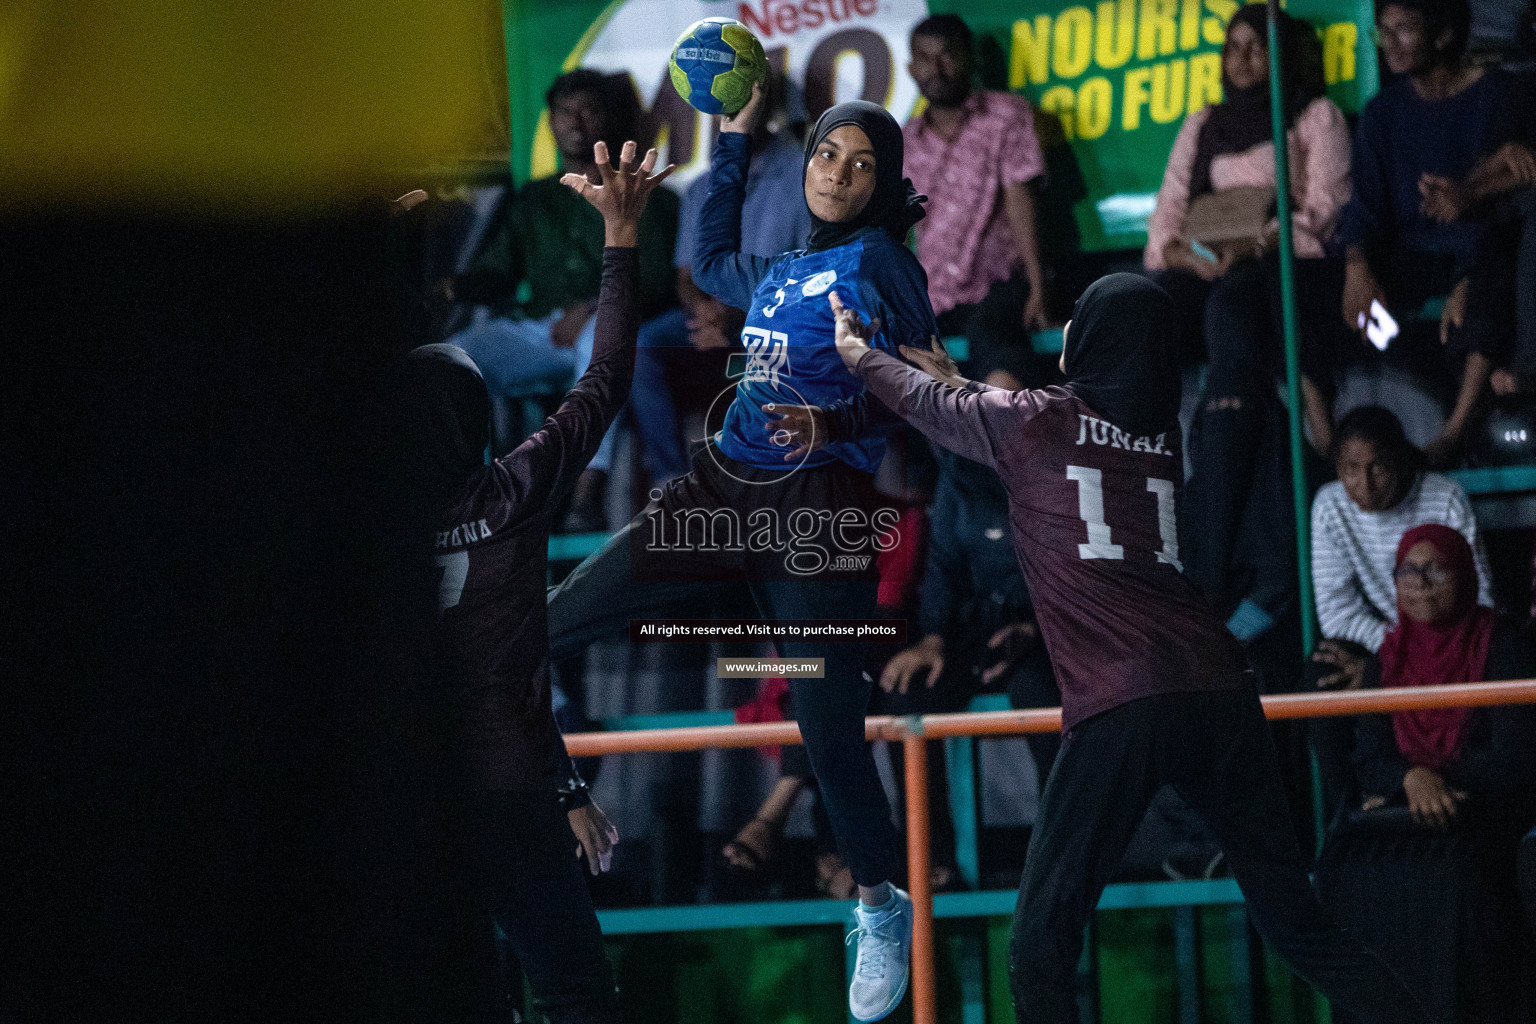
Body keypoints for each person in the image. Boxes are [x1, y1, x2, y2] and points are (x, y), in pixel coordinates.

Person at [826, 273, 1434, 1023]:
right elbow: (984, 410)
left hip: (1124, 700)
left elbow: (940, 408)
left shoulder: (1034, 422)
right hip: (1219, 690)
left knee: (1040, 946)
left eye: (1082, 316)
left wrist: (858, 353)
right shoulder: (1156, 434)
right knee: (1300, 926)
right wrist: (945, 374)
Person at [544, 83, 936, 1022]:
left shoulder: (881, 259)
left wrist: (833, 412)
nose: (837, 173)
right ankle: (557, 794)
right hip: (718, 491)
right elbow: (712, 253)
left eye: (860, 162)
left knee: (825, 720)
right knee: (544, 624)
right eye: (826, 156)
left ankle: (879, 904)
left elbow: (924, 392)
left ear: (882, 184)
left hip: (817, 510)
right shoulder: (779, 267)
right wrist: (733, 139)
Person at [400, 140, 673, 1023]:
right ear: (480, 422)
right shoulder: (514, 491)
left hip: (414, 793)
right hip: (510, 791)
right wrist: (621, 235)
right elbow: (606, 375)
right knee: (576, 991)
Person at [1144, 4, 1350, 639]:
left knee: (1235, 310)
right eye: (1233, 47)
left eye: (1257, 47)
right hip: (1207, 266)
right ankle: (1135, 459)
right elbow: (1169, 209)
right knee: (1137, 311)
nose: (1242, 58)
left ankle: (1211, 557)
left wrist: (1256, 246)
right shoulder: (1203, 122)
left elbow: (1326, 212)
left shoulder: (1314, 115)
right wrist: (1176, 251)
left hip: (1288, 267)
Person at [1318, 525, 1536, 1022]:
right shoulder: (1386, 659)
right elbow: (1369, 757)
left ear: (1465, 575)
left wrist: (1437, 784)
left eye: (1435, 569)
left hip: (1484, 812)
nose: (1419, 582)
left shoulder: (1504, 645)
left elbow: (1515, 757)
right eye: (1407, 572)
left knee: (1463, 880)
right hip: (1412, 812)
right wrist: (1410, 781)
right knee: (1343, 866)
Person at [447, 68, 680, 526]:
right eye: (564, 112)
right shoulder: (532, 199)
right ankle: (475, 499)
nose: (575, 121)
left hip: (605, 333)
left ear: (611, 118)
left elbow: (656, 282)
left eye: (589, 109)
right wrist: (453, 285)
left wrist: (595, 307)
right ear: (551, 122)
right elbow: (499, 273)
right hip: (540, 333)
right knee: (460, 356)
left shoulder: (646, 194)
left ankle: (585, 494)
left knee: (602, 336)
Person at [1336, 0, 1532, 465]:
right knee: (1314, 300)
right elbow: (1365, 206)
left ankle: (1455, 432)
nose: (1390, 44)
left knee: (1491, 286)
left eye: (1403, 30)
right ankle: (1332, 443)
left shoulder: (1501, 93)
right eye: (1383, 32)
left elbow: (1505, 196)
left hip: (1485, 250)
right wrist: (1357, 268)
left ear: (1442, 35)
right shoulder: (1383, 112)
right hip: (1415, 259)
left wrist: (1466, 275)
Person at [1308, 405, 1491, 812]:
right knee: (1320, 680)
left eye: (1378, 468)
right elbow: (1336, 612)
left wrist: (1393, 668)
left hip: (1449, 638)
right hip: (1382, 639)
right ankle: (1350, 822)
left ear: (1401, 460)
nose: (1364, 484)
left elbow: (1480, 599)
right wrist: (1389, 658)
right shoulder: (1330, 505)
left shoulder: (1443, 497)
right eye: (1351, 468)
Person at [632, 72, 811, 486]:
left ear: (765, 105)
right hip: (711, 322)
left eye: (742, 100)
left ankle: (780, 486)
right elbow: (686, 273)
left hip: (777, 322)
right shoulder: (701, 187)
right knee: (642, 348)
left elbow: (805, 276)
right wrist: (705, 315)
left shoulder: (804, 177)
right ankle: (673, 482)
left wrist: (735, 316)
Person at [902, 13, 1050, 386]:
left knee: (996, 347)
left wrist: (1037, 286)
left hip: (999, 285)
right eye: (925, 57)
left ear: (970, 60)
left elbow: (1021, 200)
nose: (937, 68)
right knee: (887, 362)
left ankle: (1004, 436)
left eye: (948, 55)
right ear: (911, 67)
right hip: (934, 297)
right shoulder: (903, 140)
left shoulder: (1006, 115)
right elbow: (896, 229)